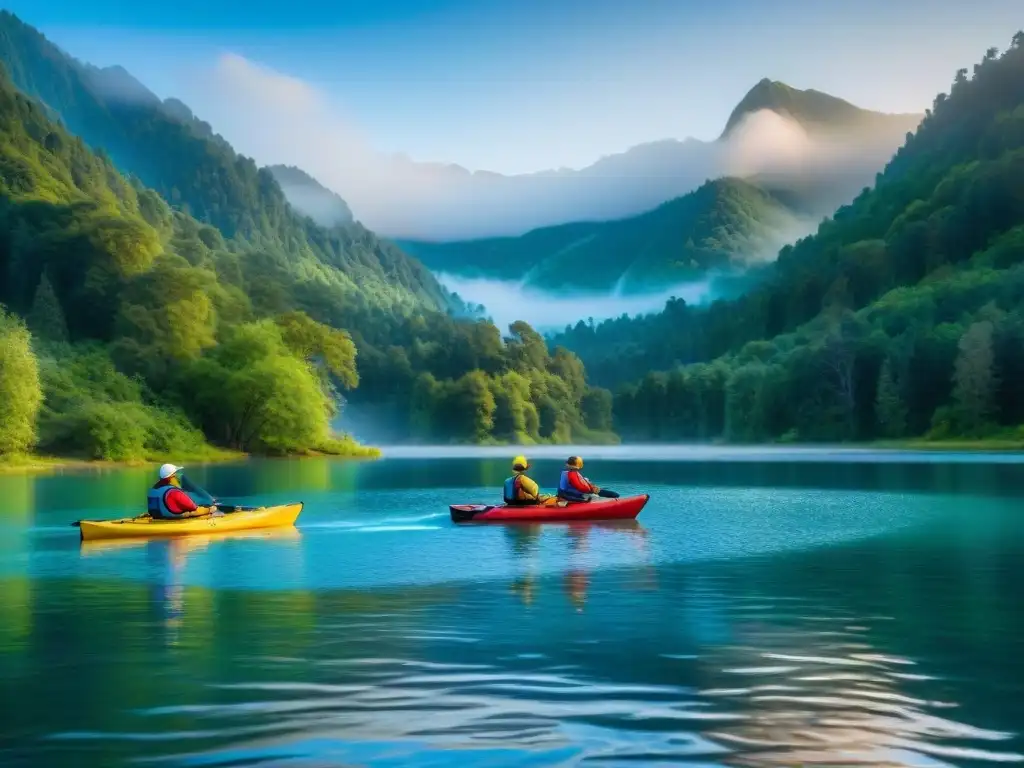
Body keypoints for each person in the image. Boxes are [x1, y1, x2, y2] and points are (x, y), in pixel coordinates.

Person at [147, 464, 212, 520]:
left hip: (157, 517)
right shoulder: (174, 492)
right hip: (172, 518)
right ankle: (211, 510)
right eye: (175, 475)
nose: (176, 477)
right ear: (172, 477)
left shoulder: (152, 490)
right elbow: (193, 507)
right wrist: (208, 509)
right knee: (212, 508)